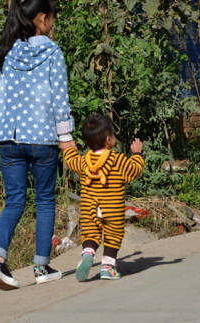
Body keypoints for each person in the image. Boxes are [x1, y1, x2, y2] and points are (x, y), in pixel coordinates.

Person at [0, 0, 75, 290]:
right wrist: (66, 138)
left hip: (8, 139)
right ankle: (41, 267)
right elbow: (60, 99)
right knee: (45, 201)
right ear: (41, 19)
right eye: (51, 18)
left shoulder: (5, 52)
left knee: (14, 201)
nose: (52, 23)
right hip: (43, 139)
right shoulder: (52, 53)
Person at [62, 114, 145, 281]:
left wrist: (69, 148)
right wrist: (137, 154)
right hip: (112, 208)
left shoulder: (84, 161)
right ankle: (108, 267)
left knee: (91, 233)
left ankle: (88, 254)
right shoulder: (118, 160)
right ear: (109, 140)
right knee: (113, 235)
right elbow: (134, 170)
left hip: (89, 208)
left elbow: (71, 161)